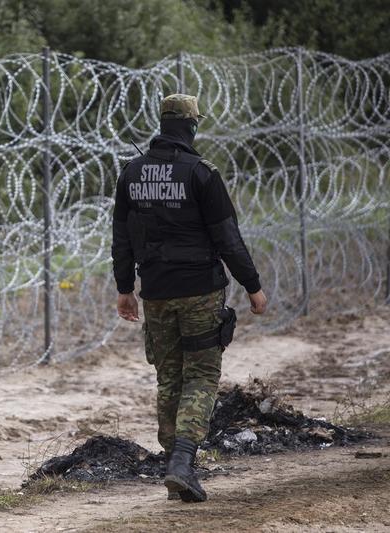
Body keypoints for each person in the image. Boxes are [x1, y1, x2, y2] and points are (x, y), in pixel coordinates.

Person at [112, 94, 268, 503]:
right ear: (192, 126)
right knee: (200, 375)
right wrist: (252, 285)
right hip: (200, 289)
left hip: (156, 291)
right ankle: (182, 463)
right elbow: (228, 238)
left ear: (163, 123)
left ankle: (175, 467)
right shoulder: (202, 173)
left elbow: (122, 238)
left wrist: (124, 288)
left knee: (169, 377)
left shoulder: (132, 173)